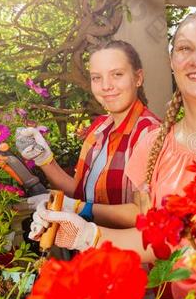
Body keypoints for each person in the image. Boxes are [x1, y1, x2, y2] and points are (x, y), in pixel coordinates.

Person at [28, 13, 196, 299]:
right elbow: (157, 243)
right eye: (186, 49)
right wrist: (84, 234)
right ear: (172, 61)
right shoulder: (154, 145)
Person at [16, 41, 160, 228]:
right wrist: (45, 159)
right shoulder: (100, 128)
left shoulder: (150, 134)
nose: (106, 86)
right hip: (91, 251)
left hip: (129, 255)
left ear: (138, 78)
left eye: (117, 74)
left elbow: (144, 214)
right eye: (96, 78)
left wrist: (77, 208)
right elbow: (80, 192)